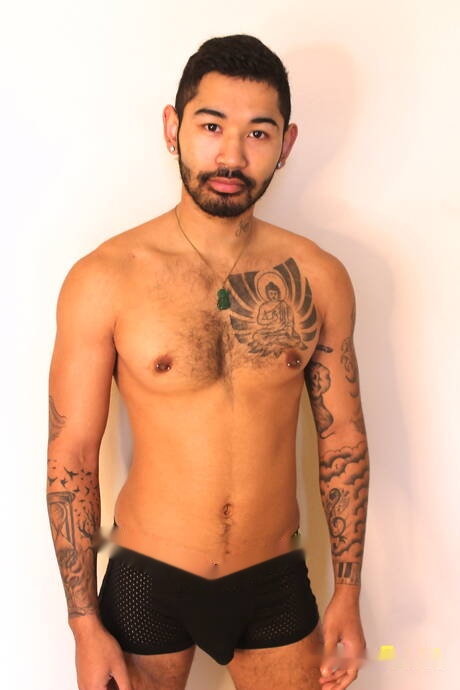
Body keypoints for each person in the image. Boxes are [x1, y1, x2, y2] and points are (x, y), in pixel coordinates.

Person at [46, 34, 369, 690]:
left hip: (274, 580)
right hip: (146, 578)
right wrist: (83, 625)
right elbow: (71, 455)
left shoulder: (318, 277)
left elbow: (343, 439)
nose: (232, 155)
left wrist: (348, 592)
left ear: (287, 144)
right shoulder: (106, 277)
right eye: (212, 126)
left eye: (258, 133)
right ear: (173, 127)